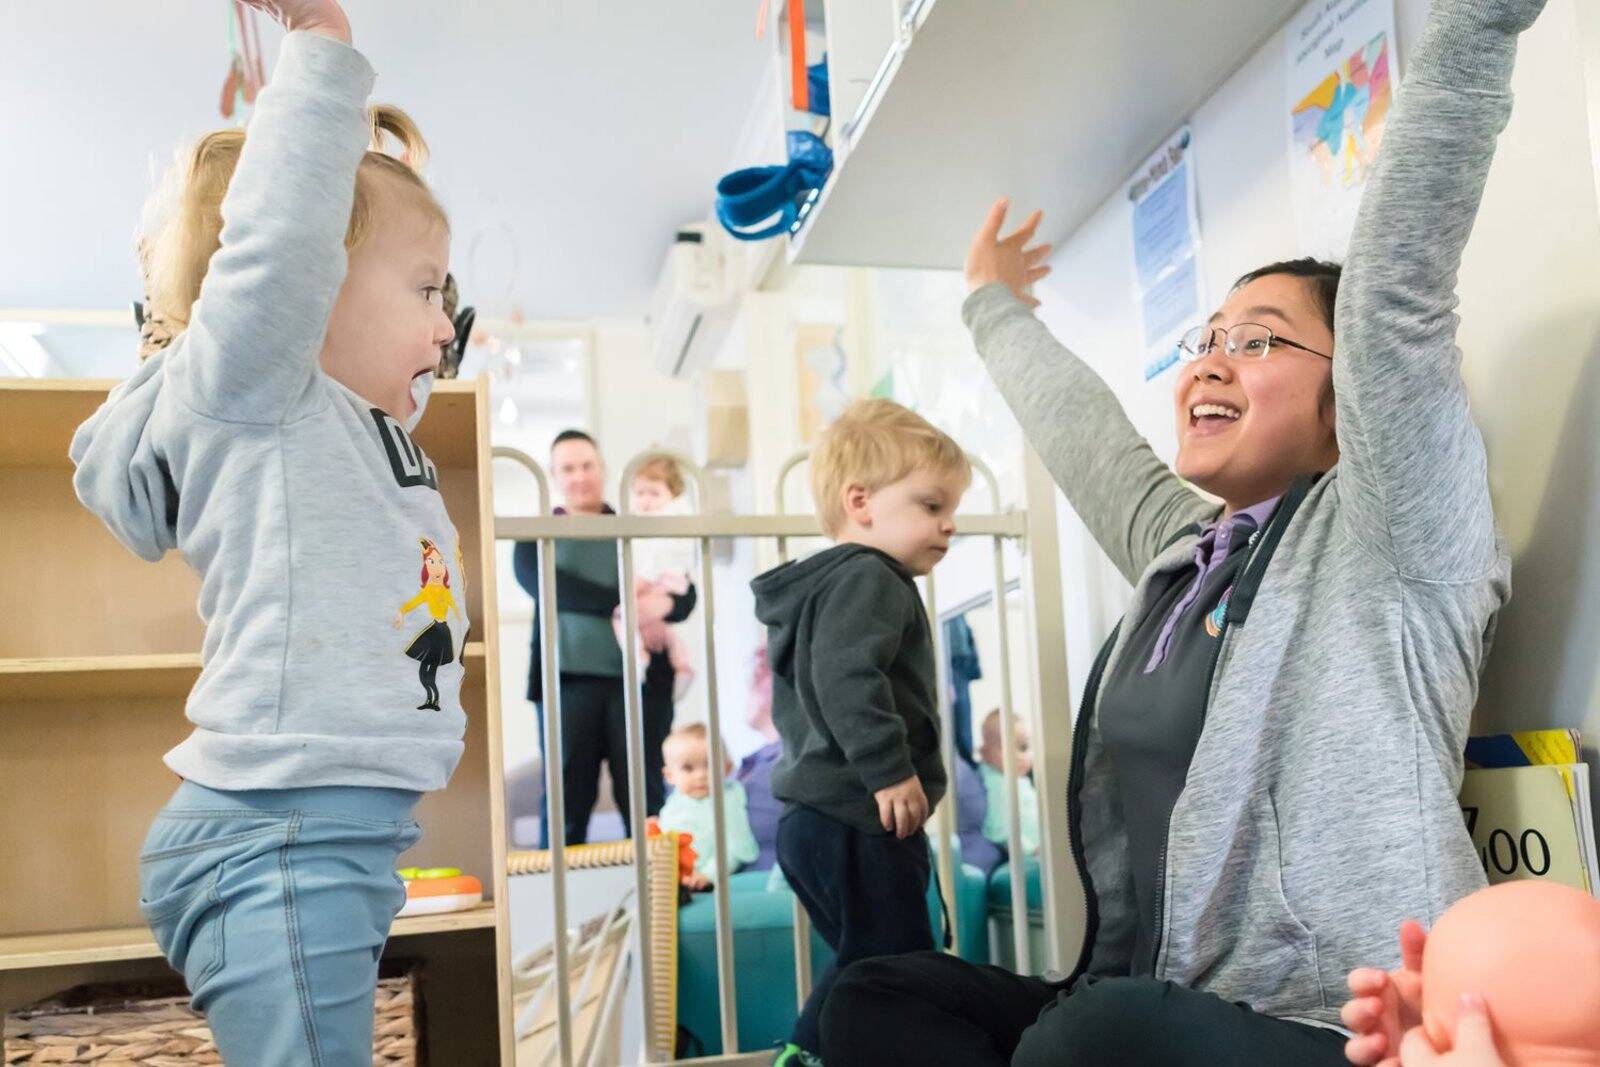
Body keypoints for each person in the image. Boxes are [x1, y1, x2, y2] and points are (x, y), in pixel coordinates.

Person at [821, 0, 1535, 1061]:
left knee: (1094, 1036)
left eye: (1258, 342)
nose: (1208, 359)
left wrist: (1477, 21)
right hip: (1156, 997)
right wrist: (988, 304)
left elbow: (1396, 299)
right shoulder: (1186, 550)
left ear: (1352, 399)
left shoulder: (1393, 534)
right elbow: (1087, 438)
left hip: (1336, 1019)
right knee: (869, 997)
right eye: (1204, 339)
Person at [70, 1, 464, 1060]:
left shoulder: (346, 429)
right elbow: (282, 236)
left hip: (338, 831)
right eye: (426, 289)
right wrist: (323, 49)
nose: (444, 325)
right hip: (280, 833)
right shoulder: (263, 390)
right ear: (311, 291)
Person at [751, 398, 972, 1067]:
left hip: (817, 820)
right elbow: (849, 678)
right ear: (862, 501)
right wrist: (890, 770)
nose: (949, 524)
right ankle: (806, 1056)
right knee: (884, 966)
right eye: (932, 505)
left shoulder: (832, 584)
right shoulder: (873, 577)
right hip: (855, 815)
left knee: (877, 961)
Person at [512, 430, 696, 844]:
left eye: (587, 465)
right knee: (565, 804)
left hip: (640, 685)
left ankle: (662, 902)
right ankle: (559, 906)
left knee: (645, 798)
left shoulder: (639, 525)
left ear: (603, 469)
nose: (579, 476)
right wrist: (626, 603)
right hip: (566, 685)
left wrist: (661, 605)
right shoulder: (534, 535)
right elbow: (551, 588)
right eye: (568, 468)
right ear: (554, 475)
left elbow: (685, 593)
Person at [657, 722, 759, 891]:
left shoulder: (728, 797)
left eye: (709, 765)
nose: (701, 775)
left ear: (727, 768)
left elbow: (735, 846)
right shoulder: (673, 804)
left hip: (714, 879)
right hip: (674, 881)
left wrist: (708, 875)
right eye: (688, 768)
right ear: (670, 776)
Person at [976, 709, 1039, 860]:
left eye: (1023, 747)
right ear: (986, 754)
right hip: (1029, 854)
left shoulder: (1017, 778)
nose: (1019, 756)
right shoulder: (998, 785)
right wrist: (1032, 850)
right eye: (1008, 748)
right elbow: (1001, 829)